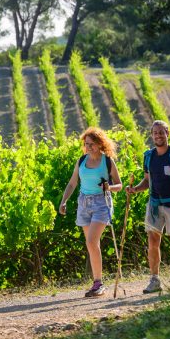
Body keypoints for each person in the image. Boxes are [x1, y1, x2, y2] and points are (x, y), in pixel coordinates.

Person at [126, 120, 170, 293]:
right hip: (154, 204)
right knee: (152, 241)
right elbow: (147, 180)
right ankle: (155, 279)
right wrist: (135, 189)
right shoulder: (149, 156)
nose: (158, 135)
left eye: (161, 132)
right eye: (155, 133)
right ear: (151, 135)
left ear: (167, 133)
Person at [59, 127, 123, 297]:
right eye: (86, 144)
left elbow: (119, 184)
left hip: (102, 203)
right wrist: (64, 201)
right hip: (84, 203)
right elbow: (72, 183)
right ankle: (97, 282)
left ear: (100, 144)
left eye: (92, 144)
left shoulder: (107, 161)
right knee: (92, 244)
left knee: (91, 242)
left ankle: (98, 283)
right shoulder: (81, 161)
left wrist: (109, 187)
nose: (88, 147)